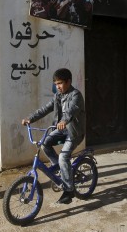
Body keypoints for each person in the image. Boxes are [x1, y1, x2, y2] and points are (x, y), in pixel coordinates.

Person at [21, 68, 86, 204]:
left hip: (74, 132)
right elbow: (45, 109)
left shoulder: (76, 95)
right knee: (45, 143)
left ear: (68, 82)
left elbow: (72, 111)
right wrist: (30, 118)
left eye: (60, 83)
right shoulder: (57, 95)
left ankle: (69, 191)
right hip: (61, 130)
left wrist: (64, 121)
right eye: (56, 84)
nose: (58, 87)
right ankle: (61, 168)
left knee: (63, 156)